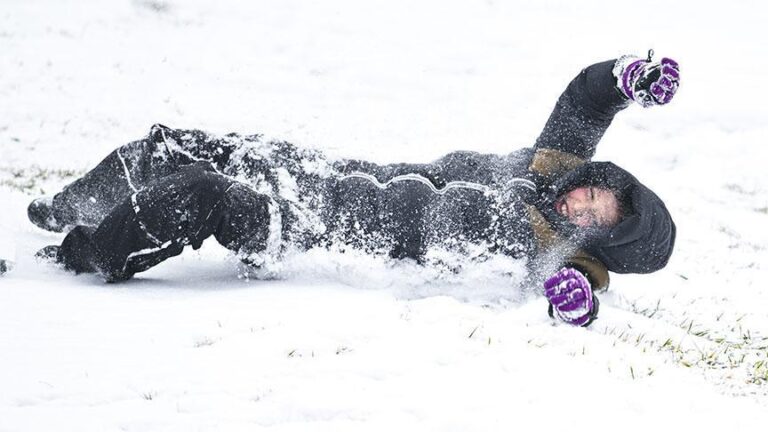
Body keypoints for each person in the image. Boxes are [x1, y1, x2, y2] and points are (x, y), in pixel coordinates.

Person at [27, 53, 680, 326]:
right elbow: (584, 105)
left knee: (200, 192)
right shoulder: (547, 175)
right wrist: (630, 75)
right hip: (336, 178)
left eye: (595, 214)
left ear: (599, 239)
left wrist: (573, 301)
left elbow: (580, 297)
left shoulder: (561, 254)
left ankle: (79, 253)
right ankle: (67, 207)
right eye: (595, 189)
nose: (581, 201)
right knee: (182, 144)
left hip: (318, 236)